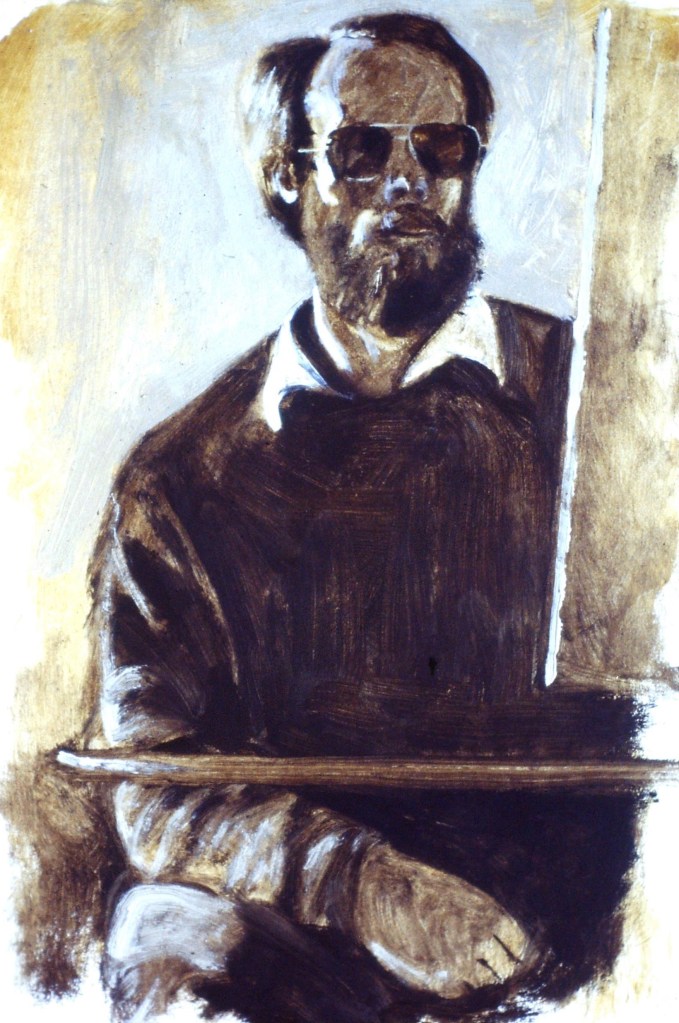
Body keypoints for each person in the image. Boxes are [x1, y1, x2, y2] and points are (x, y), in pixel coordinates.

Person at [85, 12, 636, 1023]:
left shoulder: (601, 406)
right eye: (360, 149)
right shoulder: (179, 482)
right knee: (161, 934)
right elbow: (154, 785)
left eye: (441, 147)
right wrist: (364, 883)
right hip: (314, 943)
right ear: (283, 177)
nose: (406, 180)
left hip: (583, 928)